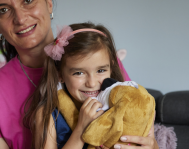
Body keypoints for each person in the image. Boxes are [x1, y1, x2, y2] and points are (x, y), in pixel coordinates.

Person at [0, 0, 158, 149]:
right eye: (3, 10)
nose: (20, 18)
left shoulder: (99, 60)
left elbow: (141, 127)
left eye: (28, 0)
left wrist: (149, 146)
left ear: (48, 3)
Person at [24, 23, 155, 149]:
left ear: (111, 67)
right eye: (79, 73)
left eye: (101, 70)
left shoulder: (128, 103)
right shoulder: (47, 114)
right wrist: (81, 129)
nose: (92, 83)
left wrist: (151, 147)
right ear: (60, 75)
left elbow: (151, 143)